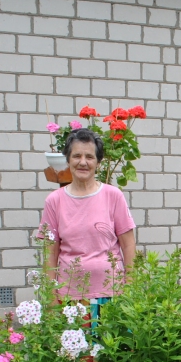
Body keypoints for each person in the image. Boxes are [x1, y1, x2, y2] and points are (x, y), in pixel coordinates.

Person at [39, 127, 136, 317]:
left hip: (112, 295)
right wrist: (51, 298)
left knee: (110, 345)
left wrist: (131, 286)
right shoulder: (54, 201)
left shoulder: (113, 196)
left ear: (98, 162)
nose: (83, 162)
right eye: (76, 156)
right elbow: (50, 253)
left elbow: (129, 244)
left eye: (89, 157)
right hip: (71, 298)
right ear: (68, 159)